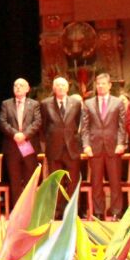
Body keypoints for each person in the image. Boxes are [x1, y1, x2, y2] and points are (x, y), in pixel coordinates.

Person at [80, 73, 127, 220]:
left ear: (109, 85)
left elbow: (122, 126)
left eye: (103, 84)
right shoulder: (88, 103)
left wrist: (121, 143)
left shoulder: (118, 102)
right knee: (96, 182)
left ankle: (116, 211)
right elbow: (85, 127)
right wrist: (86, 145)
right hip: (95, 147)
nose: (100, 86)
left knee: (115, 181)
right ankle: (99, 212)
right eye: (98, 84)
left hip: (113, 146)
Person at [0, 78, 42, 208]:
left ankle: (29, 209)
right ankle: (16, 210)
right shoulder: (6, 104)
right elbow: (2, 122)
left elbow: (37, 122)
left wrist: (25, 135)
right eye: (15, 85)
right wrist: (15, 134)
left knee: (30, 180)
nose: (18, 87)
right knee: (14, 180)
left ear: (27, 89)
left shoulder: (34, 104)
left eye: (21, 85)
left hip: (29, 146)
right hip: (12, 147)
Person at [41, 76, 84, 205]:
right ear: (54, 88)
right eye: (58, 85)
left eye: (63, 85)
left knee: (73, 181)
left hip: (72, 148)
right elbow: (43, 127)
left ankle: (72, 210)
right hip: (54, 148)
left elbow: (77, 124)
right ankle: (57, 210)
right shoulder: (45, 103)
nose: (60, 87)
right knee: (56, 181)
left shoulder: (76, 103)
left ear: (68, 88)